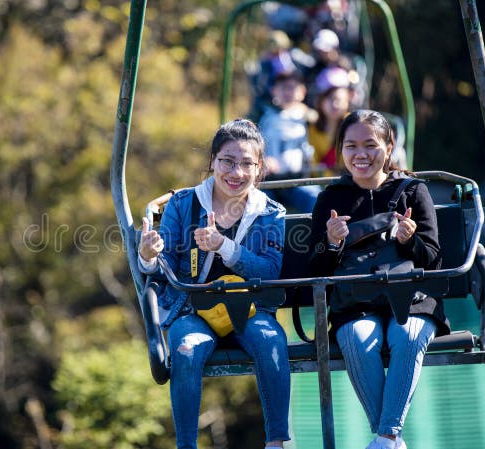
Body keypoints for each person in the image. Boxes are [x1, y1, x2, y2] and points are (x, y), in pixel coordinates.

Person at [138, 119, 291, 449]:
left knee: (270, 341)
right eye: (227, 162)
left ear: (259, 167)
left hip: (248, 307)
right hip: (192, 307)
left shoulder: (269, 213)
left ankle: (278, 441)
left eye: (247, 164)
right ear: (212, 162)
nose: (236, 173)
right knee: (186, 348)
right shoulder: (184, 204)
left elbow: (269, 272)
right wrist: (148, 255)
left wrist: (223, 246)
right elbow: (162, 266)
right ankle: (187, 445)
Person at [306, 110, 447, 449]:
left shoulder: (412, 191)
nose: (361, 155)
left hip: (410, 300)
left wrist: (408, 240)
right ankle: (390, 437)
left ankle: (385, 438)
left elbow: (434, 258)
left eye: (371, 145)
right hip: (355, 302)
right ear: (341, 150)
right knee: (357, 337)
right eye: (351, 146)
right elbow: (314, 269)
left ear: (389, 146)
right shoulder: (331, 199)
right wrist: (333, 242)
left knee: (408, 336)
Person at [258, 70, 321, 214]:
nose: (287, 92)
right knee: (259, 206)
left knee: (315, 198)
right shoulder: (263, 117)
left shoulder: (310, 119)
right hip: (269, 182)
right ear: (274, 90)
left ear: (302, 91)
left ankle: (317, 236)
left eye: (292, 87)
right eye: (283, 87)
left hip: (299, 180)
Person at [308, 67, 354, 174]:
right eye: (329, 99)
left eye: (338, 99)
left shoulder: (354, 125)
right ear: (320, 101)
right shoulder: (314, 128)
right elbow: (313, 165)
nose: (334, 105)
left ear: (348, 98)